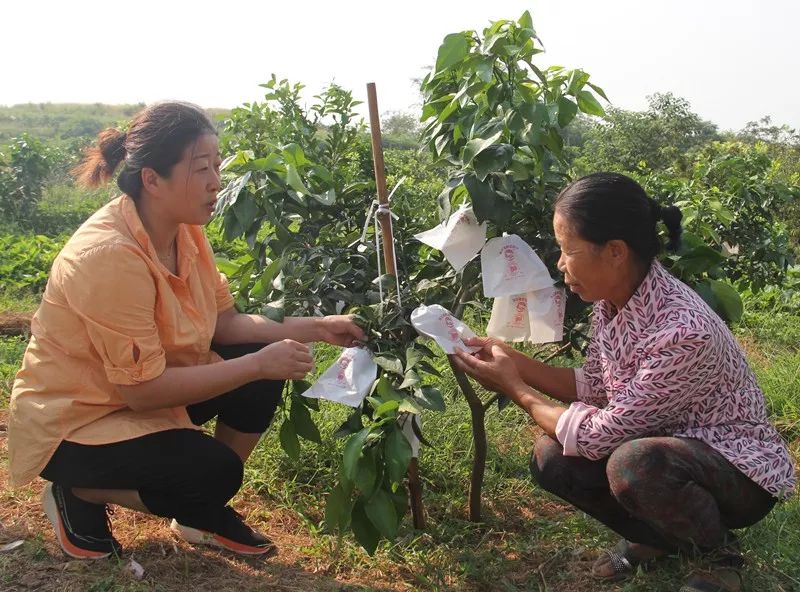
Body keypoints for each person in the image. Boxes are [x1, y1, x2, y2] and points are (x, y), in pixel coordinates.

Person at [8, 102, 365, 560]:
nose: (217, 180)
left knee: (259, 364)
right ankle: (79, 492)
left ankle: (198, 507)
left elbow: (226, 323)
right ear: (153, 179)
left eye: (218, 165)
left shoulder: (184, 232)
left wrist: (317, 327)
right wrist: (255, 364)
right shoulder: (107, 256)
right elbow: (142, 392)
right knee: (214, 466)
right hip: (76, 422)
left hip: (132, 394)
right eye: (202, 168)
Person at [453, 173, 796, 592]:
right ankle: (660, 540)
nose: (560, 264)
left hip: (735, 471)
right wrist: (514, 361)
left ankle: (718, 555)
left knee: (633, 463)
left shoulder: (683, 331)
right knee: (553, 457)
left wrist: (514, 388)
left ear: (615, 251)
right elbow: (597, 384)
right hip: (663, 446)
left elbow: (600, 436)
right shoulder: (614, 303)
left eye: (568, 250)